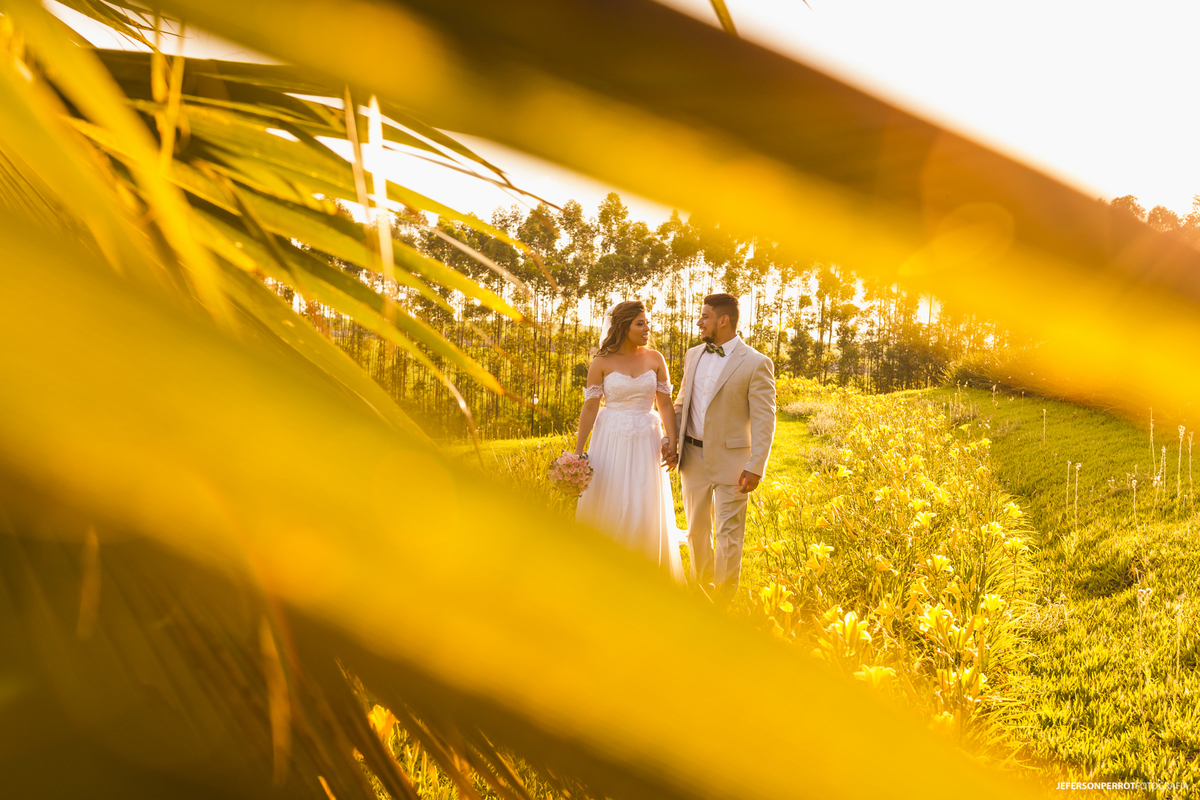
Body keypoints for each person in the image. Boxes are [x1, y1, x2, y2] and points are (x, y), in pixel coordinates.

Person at [664, 293, 776, 602]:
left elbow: (765, 420)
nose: (699, 322)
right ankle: (701, 592)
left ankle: (723, 602)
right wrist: (671, 440)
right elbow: (681, 403)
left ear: (723, 320)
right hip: (692, 458)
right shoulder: (693, 355)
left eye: (705, 316)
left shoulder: (756, 363)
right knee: (696, 531)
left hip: (734, 463)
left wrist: (756, 465)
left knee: (729, 534)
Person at [573, 300, 685, 581]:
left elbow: (665, 404)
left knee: (642, 501)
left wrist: (671, 442)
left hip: (647, 438)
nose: (647, 328)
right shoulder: (601, 362)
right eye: (640, 323)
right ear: (623, 327)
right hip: (611, 439)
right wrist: (578, 451)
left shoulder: (655, 359)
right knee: (610, 500)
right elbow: (590, 407)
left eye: (648, 323)